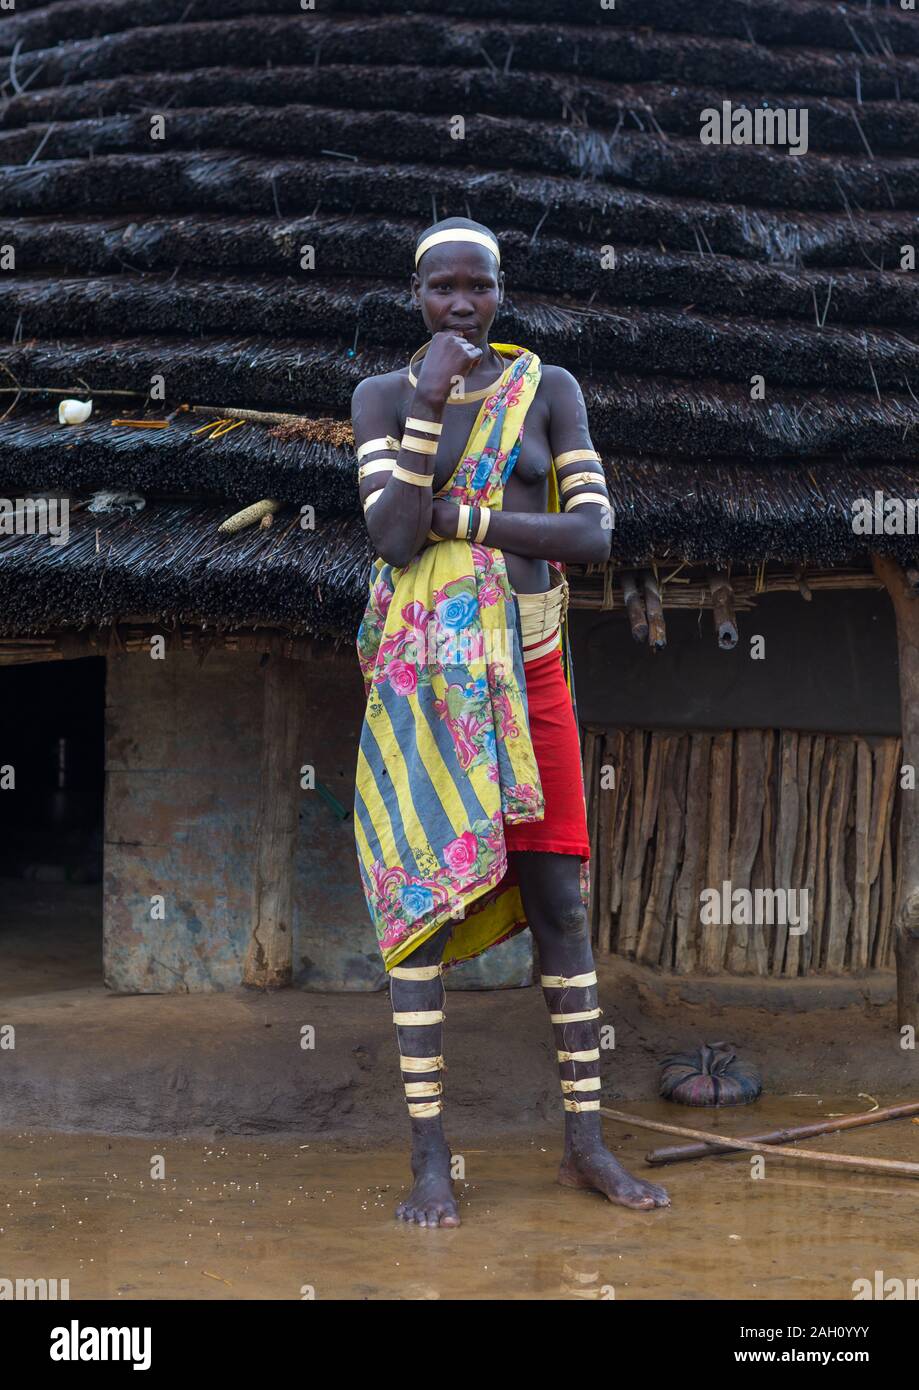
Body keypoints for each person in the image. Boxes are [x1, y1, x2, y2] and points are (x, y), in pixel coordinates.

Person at [352, 217, 670, 1226]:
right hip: (426, 684)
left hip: (531, 671)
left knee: (563, 905)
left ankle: (584, 1143)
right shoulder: (379, 398)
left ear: (499, 290)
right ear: (417, 296)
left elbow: (590, 532)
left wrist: (468, 518)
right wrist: (431, 397)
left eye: (477, 287)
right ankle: (431, 1162)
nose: (462, 304)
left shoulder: (550, 390)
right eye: (442, 287)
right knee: (420, 913)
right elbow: (394, 538)